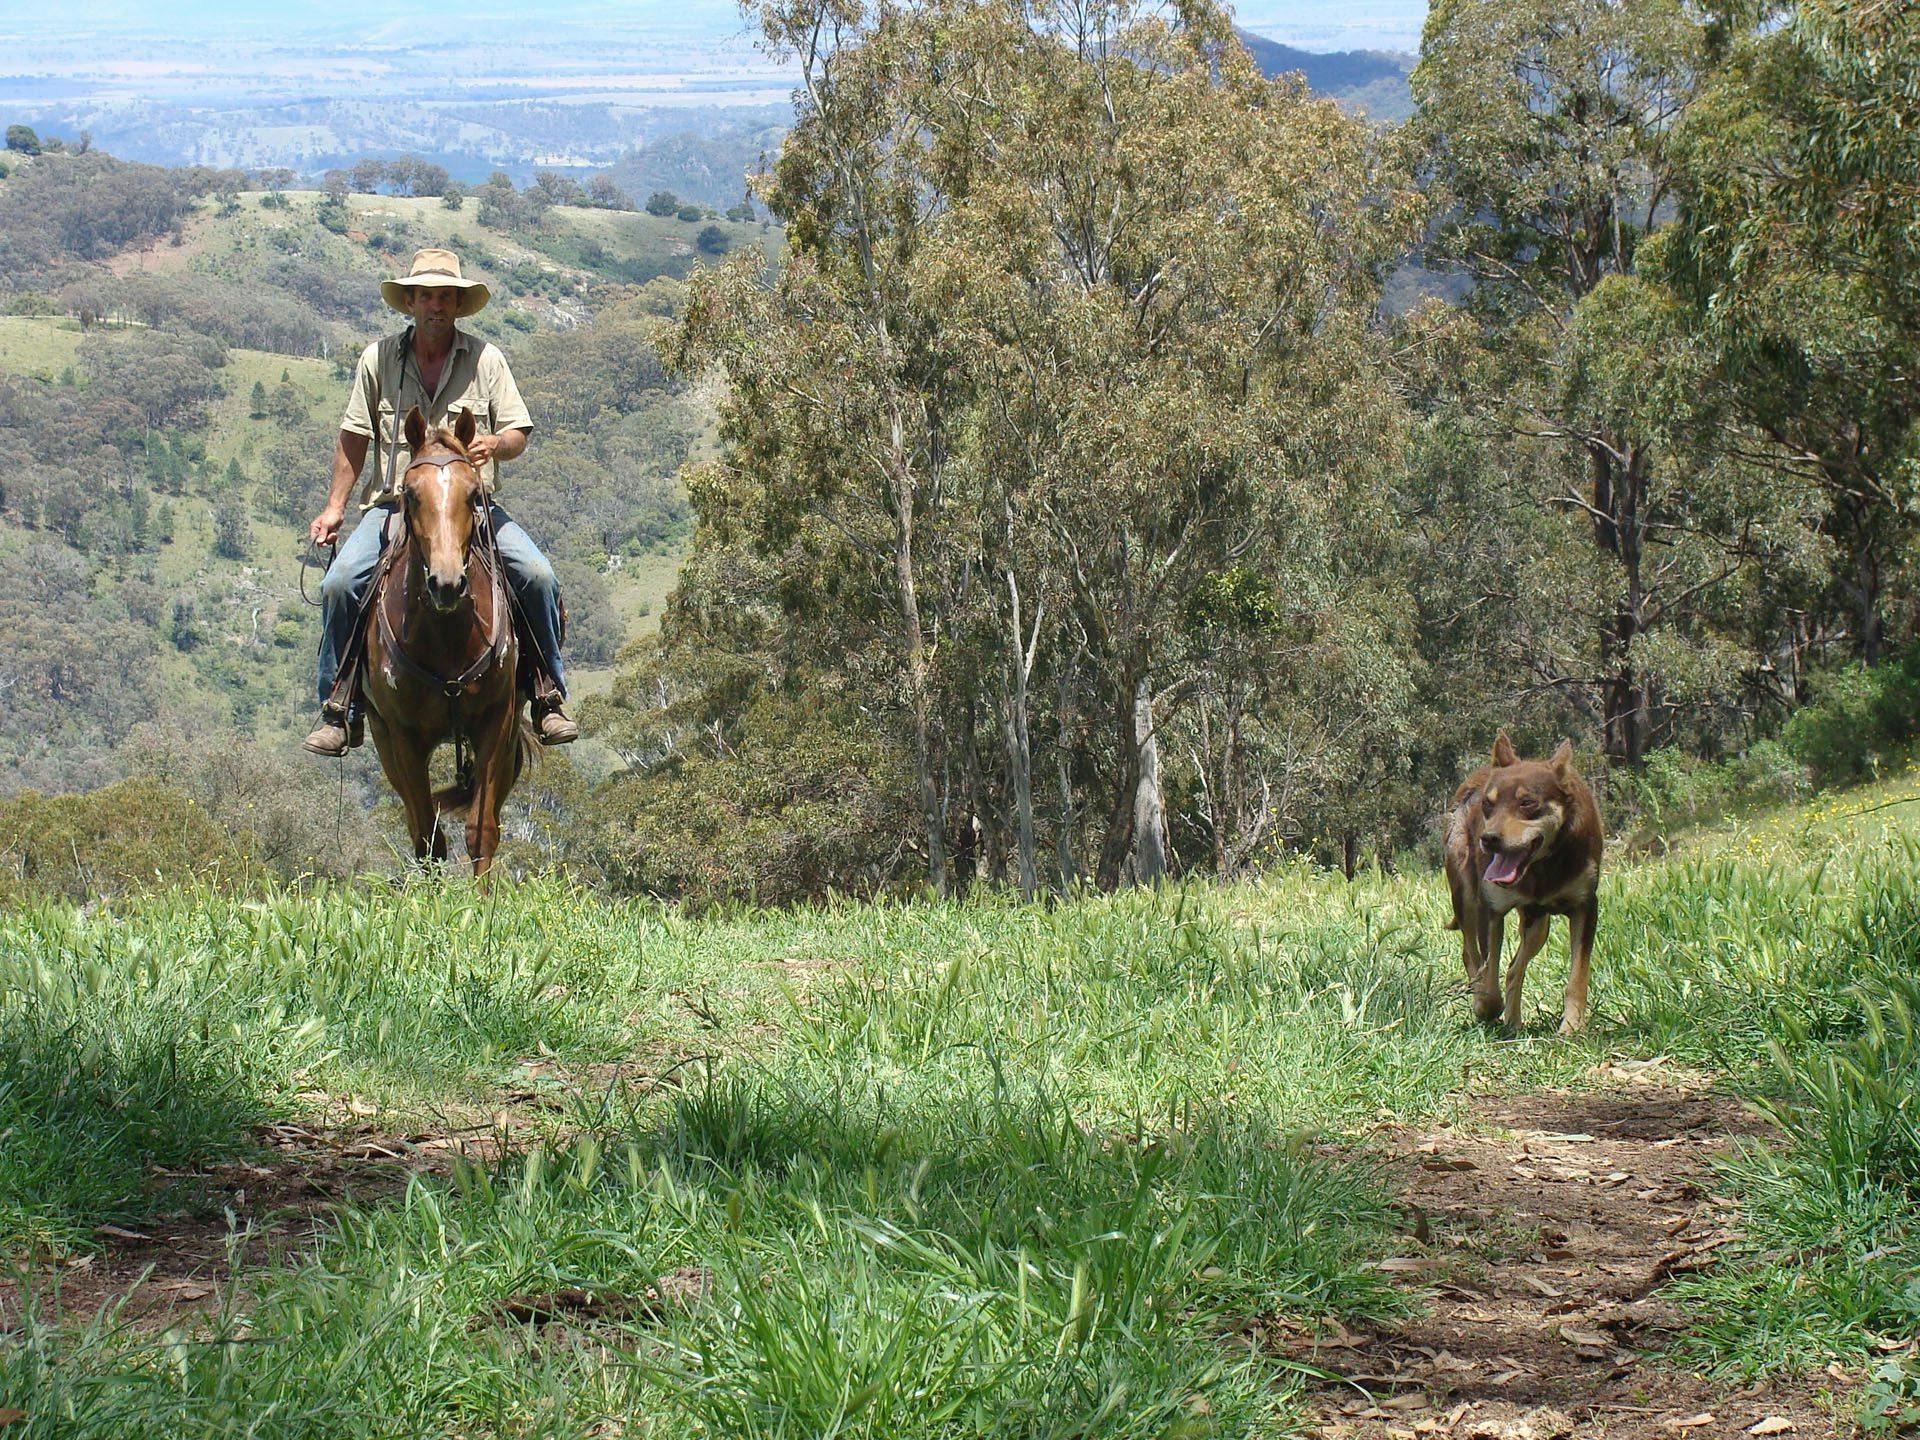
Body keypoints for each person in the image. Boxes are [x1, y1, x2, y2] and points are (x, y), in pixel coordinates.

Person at [302, 248, 578, 756]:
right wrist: (335, 505)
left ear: (458, 304)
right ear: (410, 301)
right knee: (340, 583)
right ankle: (339, 705)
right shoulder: (377, 360)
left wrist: (495, 444)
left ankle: (546, 694)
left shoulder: (486, 359)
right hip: (394, 505)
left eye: (445, 297)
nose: (436, 306)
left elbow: (518, 430)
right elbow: (354, 437)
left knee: (537, 576)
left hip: (470, 505)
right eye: (426, 296)